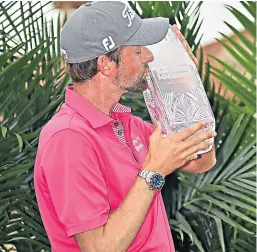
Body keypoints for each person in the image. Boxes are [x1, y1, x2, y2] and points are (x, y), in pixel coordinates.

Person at [34, 1, 217, 251]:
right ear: (106, 64)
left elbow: (202, 160)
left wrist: (185, 82)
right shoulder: (68, 138)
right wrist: (153, 171)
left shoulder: (127, 125)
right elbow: (99, 248)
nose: (150, 57)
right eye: (139, 51)